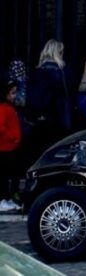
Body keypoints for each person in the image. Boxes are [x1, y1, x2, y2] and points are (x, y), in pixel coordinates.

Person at [27, 39, 72, 152]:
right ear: (58, 53)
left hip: (41, 116)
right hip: (58, 116)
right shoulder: (61, 71)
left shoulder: (38, 71)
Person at [0, 77, 22, 212]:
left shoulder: (8, 107)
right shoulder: (4, 108)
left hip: (9, 147)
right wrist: (12, 138)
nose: (15, 96)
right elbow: (1, 127)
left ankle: (6, 199)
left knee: (7, 175)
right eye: (12, 93)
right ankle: (3, 200)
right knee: (4, 176)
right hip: (6, 148)